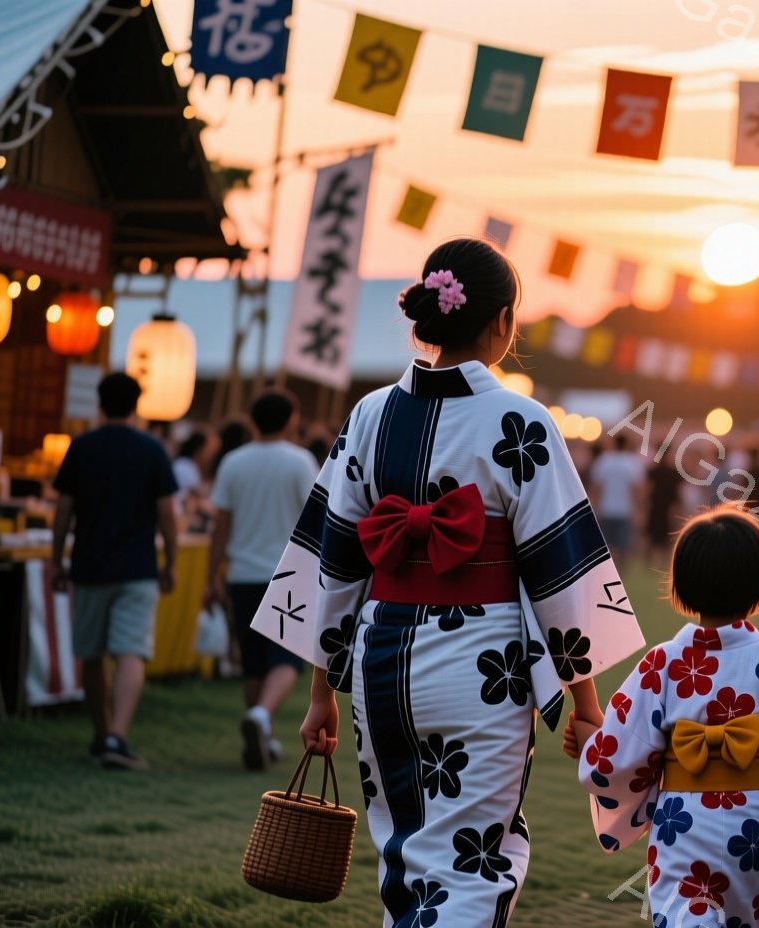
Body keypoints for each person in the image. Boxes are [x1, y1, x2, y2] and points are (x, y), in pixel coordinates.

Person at [249, 238, 646, 924]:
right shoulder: (519, 421)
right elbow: (559, 568)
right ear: (501, 322)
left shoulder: (370, 415)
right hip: (479, 665)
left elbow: (332, 562)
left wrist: (322, 694)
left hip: (380, 658)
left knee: (403, 857)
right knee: (475, 860)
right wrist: (584, 699)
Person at [567, 507, 759, 928]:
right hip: (754, 829)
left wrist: (590, 741)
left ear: (680, 586)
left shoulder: (662, 664)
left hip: (680, 826)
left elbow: (616, 756)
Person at [51, 373, 180, 771]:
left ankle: (100, 732)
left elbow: (63, 510)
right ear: (136, 405)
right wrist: (171, 561)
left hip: (89, 564)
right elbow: (166, 513)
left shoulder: (82, 447)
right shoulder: (151, 449)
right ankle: (117, 737)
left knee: (91, 653)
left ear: (101, 403)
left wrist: (57, 559)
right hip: (138, 567)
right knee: (130, 652)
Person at [204, 390, 318, 771]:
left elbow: (220, 528)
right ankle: (261, 717)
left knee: (253, 662)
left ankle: (262, 731)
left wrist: (209, 577)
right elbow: (316, 518)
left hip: (242, 573)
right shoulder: (300, 462)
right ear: (290, 420)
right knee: (287, 656)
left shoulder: (233, 463)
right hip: (289, 570)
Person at [588, 434, 645, 557]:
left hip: (605, 509)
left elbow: (596, 488)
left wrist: (594, 507)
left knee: (606, 548)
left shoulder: (603, 460)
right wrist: (639, 509)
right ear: (626, 445)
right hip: (625, 511)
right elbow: (636, 490)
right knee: (623, 548)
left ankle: (610, 574)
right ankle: (622, 574)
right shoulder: (632, 462)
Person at [645, 456, 680, 567]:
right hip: (669, 509)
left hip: (656, 509)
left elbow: (648, 489)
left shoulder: (653, 471)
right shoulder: (673, 472)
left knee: (654, 538)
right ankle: (666, 564)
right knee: (668, 538)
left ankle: (651, 564)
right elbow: (678, 493)